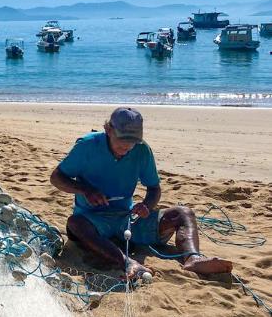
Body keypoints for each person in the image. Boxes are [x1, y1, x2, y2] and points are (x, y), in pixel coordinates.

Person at [50, 107, 233, 281]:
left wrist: (147, 205)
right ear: (108, 129)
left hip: (128, 218)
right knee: (75, 224)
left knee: (183, 213)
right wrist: (86, 190)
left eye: (132, 141)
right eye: (122, 140)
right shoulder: (87, 146)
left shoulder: (142, 150)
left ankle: (193, 259)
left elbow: (154, 188)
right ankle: (127, 262)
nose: (127, 146)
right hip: (93, 219)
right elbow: (57, 177)